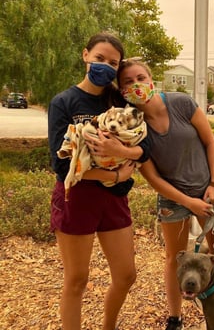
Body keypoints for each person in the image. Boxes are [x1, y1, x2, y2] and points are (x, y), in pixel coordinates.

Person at [116, 59, 214, 330]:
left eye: (140, 77)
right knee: (175, 259)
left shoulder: (181, 103)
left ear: (151, 79)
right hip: (173, 200)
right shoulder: (132, 126)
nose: (136, 85)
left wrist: (213, 184)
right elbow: (152, 177)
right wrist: (188, 202)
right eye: (128, 82)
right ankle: (175, 318)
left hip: (210, 191)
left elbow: (210, 142)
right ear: (120, 89)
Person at [48, 32, 150, 330]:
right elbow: (60, 162)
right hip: (76, 197)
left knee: (126, 275)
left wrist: (123, 152)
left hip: (114, 199)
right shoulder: (64, 102)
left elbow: (147, 144)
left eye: (112, 63)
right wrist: (114, 173)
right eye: (99, 58)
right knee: (77, 279)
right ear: (85, 56)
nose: (105, 65)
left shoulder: (119, 100)